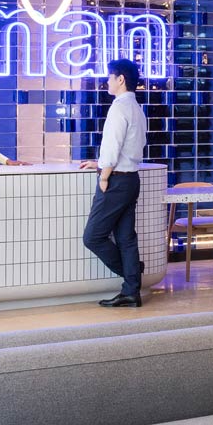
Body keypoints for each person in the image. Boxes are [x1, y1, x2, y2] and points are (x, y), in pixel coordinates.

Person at [78, 58, 149, 308]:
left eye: (109, 77)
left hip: (116, 181)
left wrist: (104, 175)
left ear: (120, 79)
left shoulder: (119, 108)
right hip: (131, 179)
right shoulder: (137, 108)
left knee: (92, 237)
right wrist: (100, 165)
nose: (106, 81)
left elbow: (113, 146)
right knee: (126, 238)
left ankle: (133, 273)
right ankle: (131, 288)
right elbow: (133, 145)